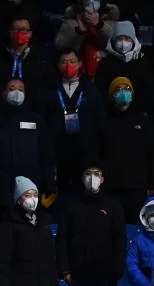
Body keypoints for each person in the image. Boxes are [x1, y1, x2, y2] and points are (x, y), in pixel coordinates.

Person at [0, 77, 56, 221]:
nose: (16, 92)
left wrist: (48, 182)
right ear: (4, 93)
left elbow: (47, 154)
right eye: (12, 89)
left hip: (29, 193)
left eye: (21, 89)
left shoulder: (37, 121)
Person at [57, 160, 127, 286]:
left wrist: (116, 272)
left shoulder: (113, 205)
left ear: (102, 179)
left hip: (104, 276)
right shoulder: (71, 205)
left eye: (96, 174)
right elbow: (62, 240)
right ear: (82, 178)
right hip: (78, 275)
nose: (92, 178)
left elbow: (120, 241)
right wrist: (64, 270)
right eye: (88, 174)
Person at [36, 48, 106, 191]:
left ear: (80, 64)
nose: (68, 66)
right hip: (56, 153)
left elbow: (100, 122)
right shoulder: (46, 90)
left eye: (73, 62)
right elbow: (40, 120)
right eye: (64, 62)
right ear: (57, 65)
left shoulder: (91, 90)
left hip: (84, 153)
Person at [99, 77, 154, 223]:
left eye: (126, 89)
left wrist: (153, 184)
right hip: (111, 187)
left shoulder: (143, 122)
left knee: (136, 227)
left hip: (137, 187)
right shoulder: (104, 124)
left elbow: (153, 155)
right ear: (112, 96)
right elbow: (98, 154)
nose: (123, 92)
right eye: (118, 90)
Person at [0, 15, 51, 100]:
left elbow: (45, 84)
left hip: (31, 105)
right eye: (16, 29)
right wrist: (2, 93)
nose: (20, 32)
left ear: (30, 33)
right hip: (1, 103)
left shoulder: (40, 57)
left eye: (24, 29)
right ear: (10, 32)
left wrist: (28, 95)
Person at [94, 20, 154, 116]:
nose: (123, 42)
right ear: (113, 40)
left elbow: (148, 91)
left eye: (127, 38)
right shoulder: (105, 63)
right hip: (111, 114)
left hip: (137, 114)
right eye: (119, 38)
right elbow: (100, 90)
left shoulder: (143, 63)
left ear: (133, 40)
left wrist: (133, 110)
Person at [54, 0, 118, 79]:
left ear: (101, 1)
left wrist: (98, 25)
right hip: (78, 76)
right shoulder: (70, 22)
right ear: (81, 1)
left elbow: (117, 44)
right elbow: (59, 45)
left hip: (106, 75)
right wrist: (79, 31)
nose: (92, 0)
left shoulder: (112, 23)